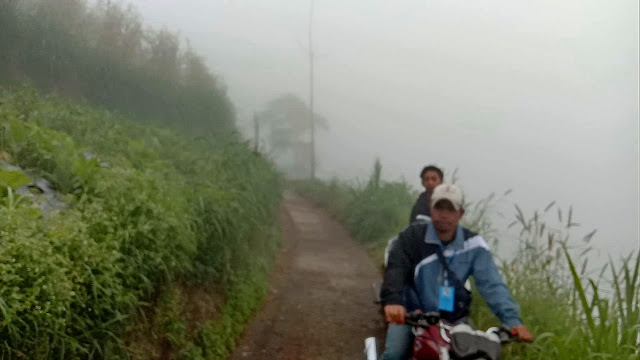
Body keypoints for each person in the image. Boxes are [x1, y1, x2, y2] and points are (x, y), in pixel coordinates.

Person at [380, 184, 534, 360]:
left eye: (450, 209)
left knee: (475, 354)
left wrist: (512, 320)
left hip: (453, 318)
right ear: (431, 209)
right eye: (439, 207)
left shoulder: (474, 245)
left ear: (460, 213)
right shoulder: (412, 236)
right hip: (414, 314)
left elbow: (491, 284)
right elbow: (396, 268)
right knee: (395, 353)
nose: (444, 214)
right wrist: (393, 300)